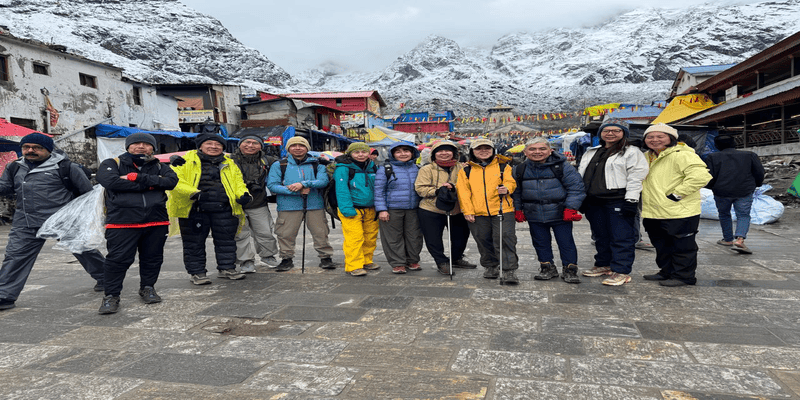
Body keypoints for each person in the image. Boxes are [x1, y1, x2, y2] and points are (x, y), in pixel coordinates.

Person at [0, 133, 107, 311]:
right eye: (26, 147)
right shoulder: (14, 167)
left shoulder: (66, 167)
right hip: (26, 221)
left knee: (84, 250)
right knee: (15, 257)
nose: (30, 150)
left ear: (48, 150)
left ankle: (106, 278)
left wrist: (87, 219)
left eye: (37, 147)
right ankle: (4, 296)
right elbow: (5, 188)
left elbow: (87, 194)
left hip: (63, 221)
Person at [95, 133, 178, 314]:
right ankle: (111, 295)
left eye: (146, 144)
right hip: (122, 222)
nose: (141, 146)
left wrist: (138, 178)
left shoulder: (159, 166)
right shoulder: (112, 163)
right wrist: (153, 184)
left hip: (156, 221)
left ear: (153, 148)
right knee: (117, 260)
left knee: (153, 258)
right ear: (128, 147)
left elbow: (171, 182)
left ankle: (148, 287)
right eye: (136, 143)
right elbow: (110, 182)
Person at [169, 133, 251, 285]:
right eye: (209, 143)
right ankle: (197, 272)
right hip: (194, 209)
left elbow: (238, 182)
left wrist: (243, 195)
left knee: (226, 241)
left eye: (218, 144)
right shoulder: (184, 161)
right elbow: (175, 181)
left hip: (224, 209)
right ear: (200, 146)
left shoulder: (229, 163)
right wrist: (194, 193)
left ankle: (227, 268)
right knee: (193, 243)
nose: (214, 147)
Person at [578, 120, 649, 286]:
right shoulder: (592, 151)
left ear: (624, 133)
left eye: (616, 130)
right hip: (594, 201)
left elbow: (636, 176)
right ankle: (604, 264)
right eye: (606, 130)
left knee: (621, 236)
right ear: (600, 134)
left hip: (617, 199)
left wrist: (631, 199)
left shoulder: (631, 152)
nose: (610, 133)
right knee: (601, 236)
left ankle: (621, 270)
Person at [641, 123, 712, 287]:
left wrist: (677, 194)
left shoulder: (682, 154)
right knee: (661, 244)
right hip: (653, 211)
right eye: (650, 137)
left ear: (671, 138)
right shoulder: (646, 156)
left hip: (680, 211)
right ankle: (666, 271)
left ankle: (684, 276)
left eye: (660, 136)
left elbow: (701, 176)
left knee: (682, 246)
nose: (654, 140)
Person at [512, 138, 585, 284]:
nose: (537, 152)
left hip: (560, 212)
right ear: (525, 152)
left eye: (542, 149)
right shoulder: (519, 169)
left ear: (550, 151)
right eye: (532, 149)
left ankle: (570, 269)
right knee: (540, 242)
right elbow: (516, 192)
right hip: (533, 212)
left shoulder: (563, 167)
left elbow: (576, 188)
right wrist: (518, 209)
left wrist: (571, 208)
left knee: (566, 242)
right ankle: (547, 267)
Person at [266, 136, 337, 271]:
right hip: (288, 206)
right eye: (294, 145)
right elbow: (272, 185)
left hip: (314, 204)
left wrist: (304, 184)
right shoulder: (279, 165)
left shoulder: (317, 164)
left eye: (302, 145)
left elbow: (323, 181)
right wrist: (295, 191)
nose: (298, 148)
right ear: (288, 148)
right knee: (285, 234)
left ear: (307, 148)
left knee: (320, 233)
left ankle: (326, 257)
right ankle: (286, 258)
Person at [457, 139, 519, 283]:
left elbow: (511, 181)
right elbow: (463, 192)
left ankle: (509, 270)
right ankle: (490, 265)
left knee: (505, 238)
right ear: (472, 151)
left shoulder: (503, 166)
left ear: (493, 150)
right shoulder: (466, 170)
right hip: (477, 212)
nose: (483, 151)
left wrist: (507, 188)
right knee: (483, 239)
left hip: (502, 209)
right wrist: (467, 211)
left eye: (487, 148)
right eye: (479, 148)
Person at [415, 141, 477, 275]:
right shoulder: (426, 169)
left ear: (454, 153)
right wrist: (438, 190)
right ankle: (441, 261)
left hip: (457, 209)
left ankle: (456, 258)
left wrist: (453, 187)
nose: (444, 153)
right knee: (433, 239)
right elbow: (420, 188)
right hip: (431, 209)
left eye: (448, 150)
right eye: (440, 151)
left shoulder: (462, 167)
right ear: (434, 154)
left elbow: (470, 185)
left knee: (461, 237)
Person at [705, 135, 765, 254]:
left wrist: (713, 187)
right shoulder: (750, 155)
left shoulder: (712, 157)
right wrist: (756, 185)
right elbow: (759, 172)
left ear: (716, 145)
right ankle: (740, 240)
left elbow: (708, 176)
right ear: (734, 143)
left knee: (724, 214)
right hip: (744, 191)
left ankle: (727, 239)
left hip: (721, 191)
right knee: (743, 215)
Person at [231, 135, 279, 272]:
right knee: (240, 235)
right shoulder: (229, 160)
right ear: (240, 144)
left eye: (255, 143)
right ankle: (245, 261)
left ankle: (268, 256)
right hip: (236, 204)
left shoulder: (268, 160)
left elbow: (287, 165)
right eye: (247, 142)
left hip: (259, 203)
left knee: (265, 231)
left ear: (261, 146)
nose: (250, 146)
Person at [374, 142, 423, 274]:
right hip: (392, 209)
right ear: (393, 154)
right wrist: (382, 210)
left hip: (414, 208)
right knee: (393, 237)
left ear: (412, 153)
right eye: (398, 152)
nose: (403, 154)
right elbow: (378, 191)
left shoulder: (417, 168)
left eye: (406, 151)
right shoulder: (385, 169)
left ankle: (412, 260)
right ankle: (398, 263)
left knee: (414, 236)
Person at [335, 142, 379, 276]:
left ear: (368, 154)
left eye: (364, 152)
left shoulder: (372, 166)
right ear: (350, 154)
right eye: (356, 152)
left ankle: (366, 260)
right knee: (354, 238)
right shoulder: (343, 168)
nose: (361, 155)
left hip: (370, 209)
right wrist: (347, 209)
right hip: (352, 209)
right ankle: (353, 265)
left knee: (370, 237)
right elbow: (341, 190)